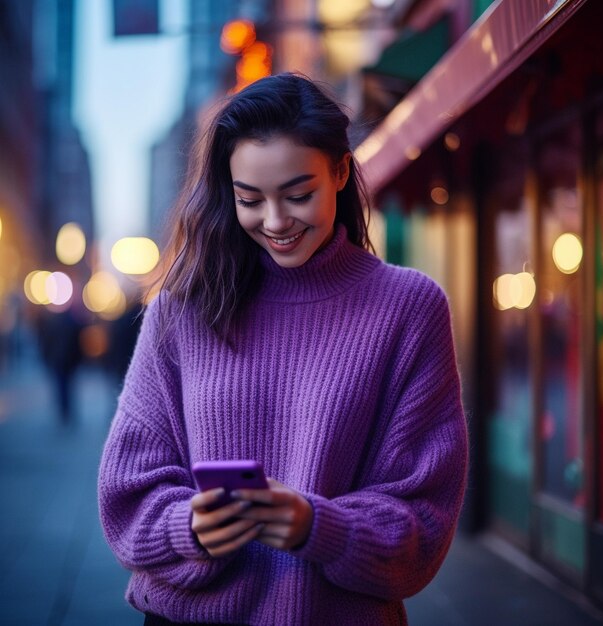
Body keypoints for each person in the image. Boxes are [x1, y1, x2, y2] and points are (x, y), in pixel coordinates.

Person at [98, 73, 468, 626]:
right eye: (250, 199)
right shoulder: (182, 309)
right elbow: (126, 495)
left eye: (299, 195)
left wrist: (316, 527)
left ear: (341, 171)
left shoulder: (410, 309)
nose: (275, 222)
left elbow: (422, 519)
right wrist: (189, 526)